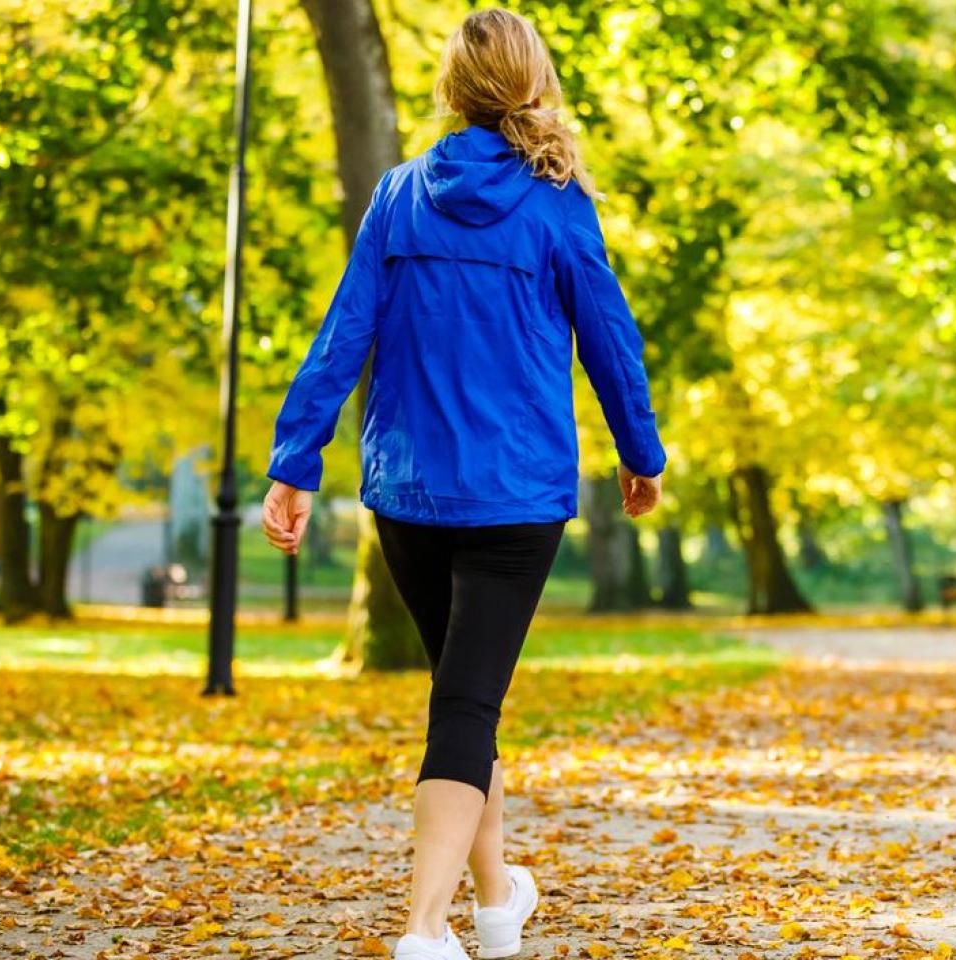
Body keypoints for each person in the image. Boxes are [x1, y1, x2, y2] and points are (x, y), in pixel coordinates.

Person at [259, 10, 666, 959]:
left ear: (452, 88)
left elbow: (342, 333)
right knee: (466, 703)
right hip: (516, 495)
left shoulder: (399, 194)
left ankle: (494, 900)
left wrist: (297, 459)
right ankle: (422, 927)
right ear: (533, 83)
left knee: (461, 696)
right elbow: (610, 337)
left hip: (408, 492)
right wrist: (639, 453)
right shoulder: (556, 199)